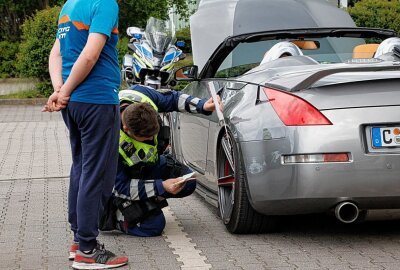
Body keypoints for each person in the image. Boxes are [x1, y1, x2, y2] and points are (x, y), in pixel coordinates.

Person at [42, 0, 128, 269]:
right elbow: (91, 55)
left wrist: (60, 89)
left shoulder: (69, 5)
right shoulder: (103, 3)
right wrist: (64, 91)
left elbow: (56, 54)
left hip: (75, 103)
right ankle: (88, 250)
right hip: (97, 100)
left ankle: (79, 241)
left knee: (81, 168)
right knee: (97, 173)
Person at [102, 85, 219, 237]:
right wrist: (161, 186)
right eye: (145, 139)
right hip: (124, 184)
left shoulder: (142, 95)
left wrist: (202, 105)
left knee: (188, 182)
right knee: (154, 226)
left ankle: (147, 202)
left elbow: (174, 98)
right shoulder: (108, 140)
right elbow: (121, 186)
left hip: (149, 165)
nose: (151, 141)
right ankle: (115, 216)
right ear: (126, 129)